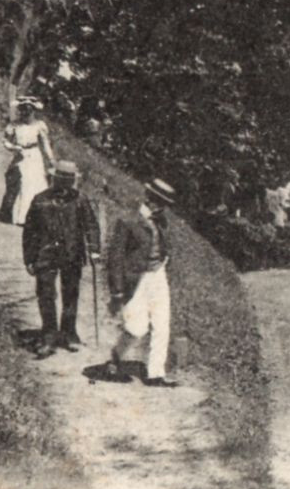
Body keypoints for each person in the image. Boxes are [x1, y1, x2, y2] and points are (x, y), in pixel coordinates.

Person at [22, 160, 101, 357]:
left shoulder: (80, 200)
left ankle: (68, 333)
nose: (66, 184)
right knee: (46, 294)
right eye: (62, 180)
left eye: (70, 180)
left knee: (70, 294)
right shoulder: (40, 200)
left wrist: (94, 248)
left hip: (72, 254)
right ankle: (48, 335)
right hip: (45, 254)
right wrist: (29, 259)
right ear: (54, 178)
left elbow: (91, 225)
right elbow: (30, 232)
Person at [106, 179, 178, 387]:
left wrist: (164, 262)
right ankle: (116, 356)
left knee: (162, 325)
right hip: (136, 279)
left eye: (163, 203)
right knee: (137, 328)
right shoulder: (128, 220)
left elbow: (164, 245)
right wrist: (117, 290)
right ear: (148, 198)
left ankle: (156, 374)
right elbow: (116, 258)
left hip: (158, 276)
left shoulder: (161, 221)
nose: (159, 206)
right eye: (157, 201)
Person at [2, 96, 54, 226]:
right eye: (23, 110)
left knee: (32, 185)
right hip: (20, 155)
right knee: (18, 183)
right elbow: (5, 141)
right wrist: (13, 147)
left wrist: (51, 160)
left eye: (29, 110)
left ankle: (30, 217)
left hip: (34, 156)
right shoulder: (15, 125)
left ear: (34, 111)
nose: (26, 113)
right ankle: (17, 216)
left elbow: (45, 144)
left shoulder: (39, 125)